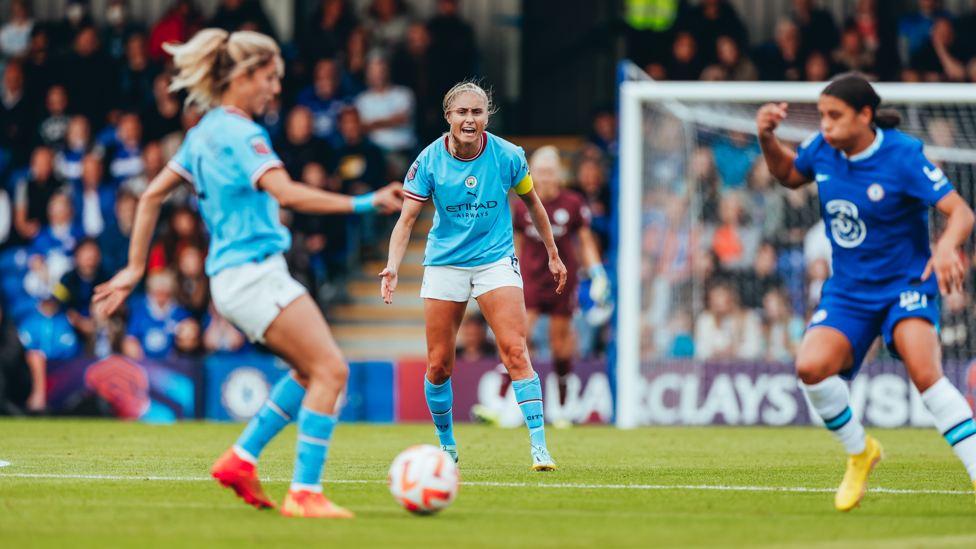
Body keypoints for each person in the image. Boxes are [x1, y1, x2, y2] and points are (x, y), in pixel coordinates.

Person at [93, 29, 403, 518]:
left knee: (308, 370)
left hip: (233, 278)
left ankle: (240, 459)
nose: (275, 88)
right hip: (255, 273)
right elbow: (287, 194)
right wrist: (365, 200)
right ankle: (304, 493)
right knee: (333, 371)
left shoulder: (202, 132)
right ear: (242, 76)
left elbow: (150, 196)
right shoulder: (243, 133)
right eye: (269, 77)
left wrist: (134, 268)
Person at [756, 74, 976, 511]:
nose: (826, 125)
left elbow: (961, 212)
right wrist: (766, 137)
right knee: (811, 367)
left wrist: (948, 244)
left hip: (905, 286)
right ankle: (861, 452)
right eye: (822, 116)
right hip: (849, 291)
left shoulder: (903, 155)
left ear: (864, 115)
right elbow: (786, 174)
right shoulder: (822, 149)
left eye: (834, 116)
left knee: (925, 373)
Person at [381, 81, 567, 470]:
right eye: (462, 112)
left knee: (516, 350)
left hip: (495, 259)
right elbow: (406, 220)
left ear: (487, 115)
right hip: (446, 263)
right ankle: (446, 446)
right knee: (438, 365)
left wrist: (553, 253)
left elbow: (533, 204)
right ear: (448, 115)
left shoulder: (509, 156)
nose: (470, 119)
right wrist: (393, 266)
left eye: (477, 112)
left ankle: (539, 448)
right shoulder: (428, 160)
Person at [511, 146, 607, 426]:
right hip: (530, 278)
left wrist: (597, 272)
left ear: (559, 175)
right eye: (540, 172)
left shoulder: (573, 203)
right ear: (532, 174)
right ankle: (514, 402)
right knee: (520, 335)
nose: (546, 177)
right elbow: (515, 244)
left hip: (563, 279)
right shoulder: (521, 204)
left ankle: (563, 404)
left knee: (560, 344)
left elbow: (585, 242)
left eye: (551, 172)